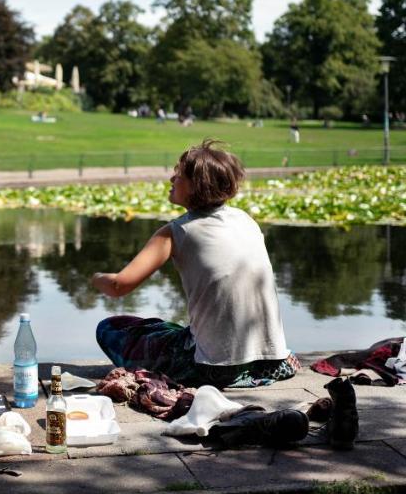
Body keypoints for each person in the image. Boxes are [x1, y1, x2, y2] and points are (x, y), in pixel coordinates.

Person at [90, 140, 296, 389]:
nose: (171, 179)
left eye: (178, 175)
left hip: (214, 370)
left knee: (111, 328)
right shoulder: (246, 220)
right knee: (165, 328)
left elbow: (117, 286)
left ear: (197, 186)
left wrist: (96, 277)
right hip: (272, 363)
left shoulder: (177, 232)